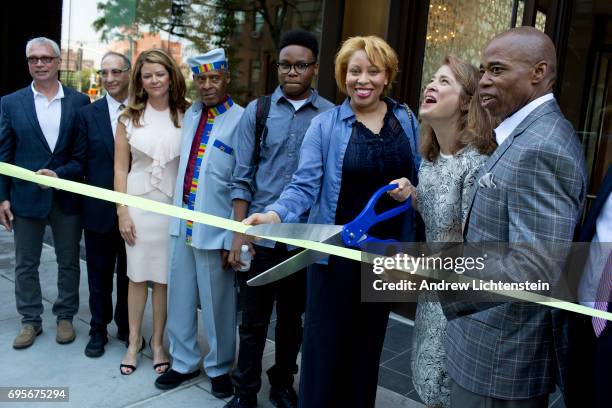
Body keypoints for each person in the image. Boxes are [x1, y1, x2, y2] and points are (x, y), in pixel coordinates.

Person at [245, 35, 421, 408]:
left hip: (385, 258)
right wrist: (275, 215)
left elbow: (421, 176)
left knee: (366, 354)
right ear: (343, 76)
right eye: (354, 71)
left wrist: (412, 188)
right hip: (335, 254)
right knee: (324, 356)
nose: (363, 79)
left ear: (386, 75)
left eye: (373, 71)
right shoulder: (325, 126)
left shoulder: (406, 119)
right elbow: (302, 187)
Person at [440, 27, 587, 407]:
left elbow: (535, 268)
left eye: (497, 70)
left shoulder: (542, 147)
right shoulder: (525, 134)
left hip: (500, 362)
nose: (484, 81)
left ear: (538, 72)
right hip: (486, 347)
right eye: (483, 69)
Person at [225, 29, 334, 408]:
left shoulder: (331, 117)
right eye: (285, 65)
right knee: (253, 320)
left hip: (302, 238)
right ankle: (244, 392)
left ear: (314, 68)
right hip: (261, 235)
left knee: (292, 322)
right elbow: (240, 178)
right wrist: (239, 236)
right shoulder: (258, 111)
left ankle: (283, 384)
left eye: (300, 65)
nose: (291, 72)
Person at [389, 55, 495, 408]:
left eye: (444, 81)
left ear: (466, 102)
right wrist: (413, 195)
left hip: (458, 297)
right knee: (427, 381)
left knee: (448, 388)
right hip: (430, 291)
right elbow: (440, 213)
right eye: (431, 79)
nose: (430, 85)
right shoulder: (430, 159)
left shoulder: (477, 163)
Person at [154, 48, 243, 398]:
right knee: (180, 296)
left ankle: (220, 366)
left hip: (216, 229)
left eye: (214, 78)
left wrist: (233, 236)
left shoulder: (242, 119)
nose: (207, 85)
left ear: (227, 78)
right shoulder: (190, 115)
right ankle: (183, 361)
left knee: (218, 303)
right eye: (201, 78)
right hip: (182, 223)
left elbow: (241, 180)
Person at [0, 37, 89, 349]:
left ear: (58, 62)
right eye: (33, 59)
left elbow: (81, 157)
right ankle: (30, 321)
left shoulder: (79, 102)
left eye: (46, 58)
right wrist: (2, 197)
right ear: (28, 63)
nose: (39, 64)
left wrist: (59, 175)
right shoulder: (10, 103)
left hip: (65, 197)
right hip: (24, 198)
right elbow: (3, 156)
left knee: (69, 261)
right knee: (26, 263)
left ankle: (65, 316)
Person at [114, 48, 189, 375]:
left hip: (172, 206)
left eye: (160, 73)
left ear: (171, 76)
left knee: (163, 279)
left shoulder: (188, 113)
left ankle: (158, 342)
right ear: (140, 81)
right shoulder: (127, 117)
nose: (155, 80)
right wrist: (122, 211)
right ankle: (134, 341)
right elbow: (119, 169)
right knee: (136, 276)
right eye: (148, 75)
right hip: (138, 206)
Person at [77, 51, 131, 357]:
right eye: (104, 72)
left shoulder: (144, 111)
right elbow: (78, 160)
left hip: (134, 212)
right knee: (97, 274)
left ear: (127, 73)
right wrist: (56, 174)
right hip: (97, 210)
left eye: (116, 72)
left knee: (130, 275)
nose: (109, 78)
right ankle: (98, 329)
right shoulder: (88, 114)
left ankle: (126, 325)